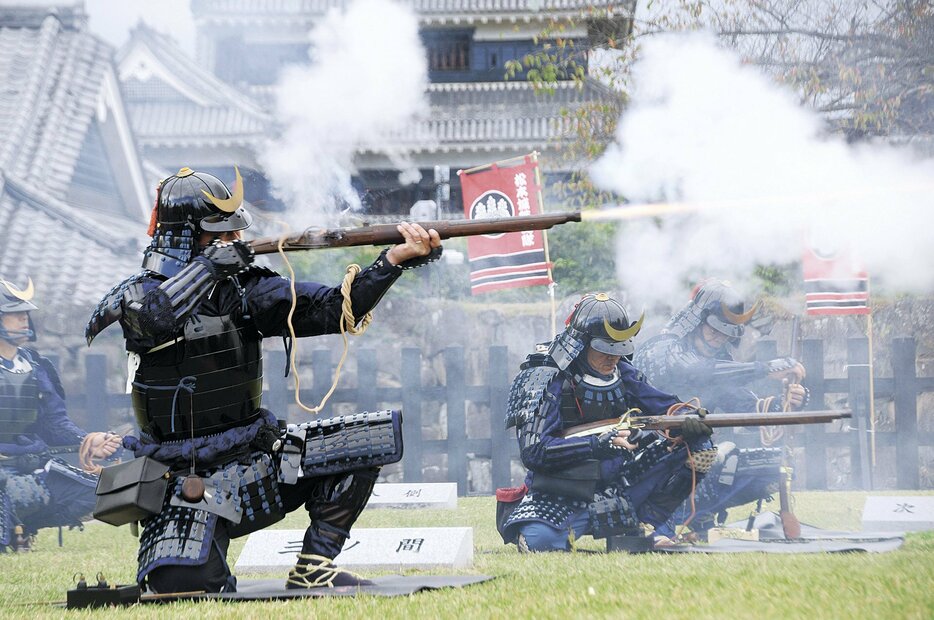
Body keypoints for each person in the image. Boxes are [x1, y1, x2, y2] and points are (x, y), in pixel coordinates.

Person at [85, 167, 442, 592]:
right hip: (180, 478)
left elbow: (331, 309)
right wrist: (209, 269)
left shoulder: (245, 287)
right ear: (185, 235)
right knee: (183, 586)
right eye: (218, 234)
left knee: (363, 443)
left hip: (256, 456)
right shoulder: (136, 294)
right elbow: (154, 319)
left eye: (231, 234)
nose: (232, 241)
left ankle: (314, 568)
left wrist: (392, 262)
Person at [497, 293, 717, 552]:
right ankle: (621, 523)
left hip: (620, 485)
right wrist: (595, 444)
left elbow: (664, 405)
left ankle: (647, 522)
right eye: (604, 349)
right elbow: (535, 452)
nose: (613, 358)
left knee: (701, 445)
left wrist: (687, 419)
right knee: (540, 541)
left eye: (618, 350)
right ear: (580, 344)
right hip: (563, 493)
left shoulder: (623, 373)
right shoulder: (545, 377)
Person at [633, 279, 807, 537]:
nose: (719, 336)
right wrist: (766, 368)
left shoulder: (719, 362)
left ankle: (697, 514)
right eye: (713, 328)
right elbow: (697, 371)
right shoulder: (663, 346)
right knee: (687, 454)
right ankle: (657, 522)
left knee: (764, 467)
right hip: (644, 453)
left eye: (726, 332)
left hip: (694, 450)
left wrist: (787, 402)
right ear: (696, 320)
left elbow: (745, 404)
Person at [0, 278, 121, 551]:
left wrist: (88, 439)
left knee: (102, 493)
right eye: (13, 314)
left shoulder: (36, 366)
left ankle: (25, 527)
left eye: (24, 314)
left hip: (35, 469)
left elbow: (54, 423)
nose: (23, 320)